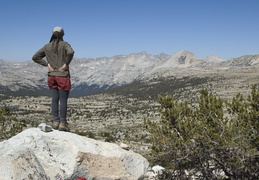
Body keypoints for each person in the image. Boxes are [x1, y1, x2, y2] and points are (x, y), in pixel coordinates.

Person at [32, 26, 74, 131]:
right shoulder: (65, 44)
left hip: (51, 76)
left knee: (54, 99)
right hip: (62, 76)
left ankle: (55, 121)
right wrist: (66, 64)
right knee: (63, 100)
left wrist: (47, 64)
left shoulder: (47, 46)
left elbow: (35, 57)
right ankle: (63, 123)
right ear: (63, 34)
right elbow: (71, 52)